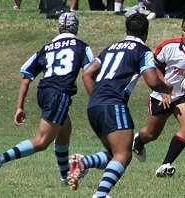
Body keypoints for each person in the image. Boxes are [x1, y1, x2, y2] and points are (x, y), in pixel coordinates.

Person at [67, 12, 173, 198]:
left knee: (115, 153)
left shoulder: (110, 48)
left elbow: (87, 73)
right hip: (113, 103)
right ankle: (100, 194)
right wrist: (167, 87)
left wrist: (98, 97)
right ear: (146, 32)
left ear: (127, 29)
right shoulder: (142, 51)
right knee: (124, 155)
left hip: (95, 105)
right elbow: (152, 81)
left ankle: (84, 162)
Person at [0, 12, 94, 185]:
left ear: (59, 28)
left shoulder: (47, 47)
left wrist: (19, 107)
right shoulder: (81, 46)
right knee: (41, 141)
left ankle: (64, 176)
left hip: (44, 92)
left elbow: (26, 77)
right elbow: (91, 70)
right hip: (59, 94)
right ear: (76, 28)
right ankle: (0, 159)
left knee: (65, 127)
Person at [132, 16, 185, 177]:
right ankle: (138, 141)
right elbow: (152, 70)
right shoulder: (168, 47)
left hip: (184, 96)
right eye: (184, 29)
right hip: (161, 95)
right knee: (151, 134)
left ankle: (165, 165)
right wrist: (164, 91)